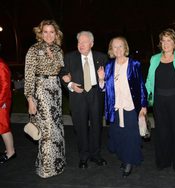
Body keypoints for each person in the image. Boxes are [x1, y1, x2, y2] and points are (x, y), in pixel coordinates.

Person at [98, 36, 147, 177]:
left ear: (125, 48)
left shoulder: (134, 64)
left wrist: (143, 106)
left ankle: (128, 162)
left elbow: (141, 86)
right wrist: (101, 78)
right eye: (115, 47)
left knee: (130, 136)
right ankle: (125, 157)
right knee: (118, 135)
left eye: (120, 46)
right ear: (111, 50)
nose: (118, 49)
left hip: (131, 106)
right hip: (115, 108)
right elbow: (103, 89)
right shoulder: (109, 66)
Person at [60, 31, 108, 169]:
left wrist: (101, 79)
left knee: (96, 126)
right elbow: (62, 74)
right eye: (79, 42)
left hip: (95, 94)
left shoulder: (102, 57)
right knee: (80, 127)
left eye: (84, 42)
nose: (81, 45)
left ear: (91, 44)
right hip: (78, 95)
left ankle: (96, 155)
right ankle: (83, 157)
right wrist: (70, 85)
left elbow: (108, 79)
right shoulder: (69, 57)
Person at [24, 20, 65, 178]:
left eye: (52, 32)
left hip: (55, 88)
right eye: (45, 32)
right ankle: (46, 168)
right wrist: (29, 98)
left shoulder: (57, 49)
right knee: (47, 128)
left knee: (56, 127)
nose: (48, 35)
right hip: (41, 89)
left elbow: (58, 68)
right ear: (40, 33)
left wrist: (52, 56)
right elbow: (28, 75)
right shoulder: (34, 50)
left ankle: (58, 163)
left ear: (56, 34)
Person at [145, 29, 175, 174]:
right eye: (163, 40)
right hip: (159, 101)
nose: (166, 43)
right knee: (162, 132)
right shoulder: (154, 58)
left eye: (169, 40)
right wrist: (145, 99)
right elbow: (149, 80)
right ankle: (164, 160)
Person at [0, 51, 16, 164]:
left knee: (3, 127)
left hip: (2, 101)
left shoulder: (1, 64)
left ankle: (11, 152)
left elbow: (6, 86)